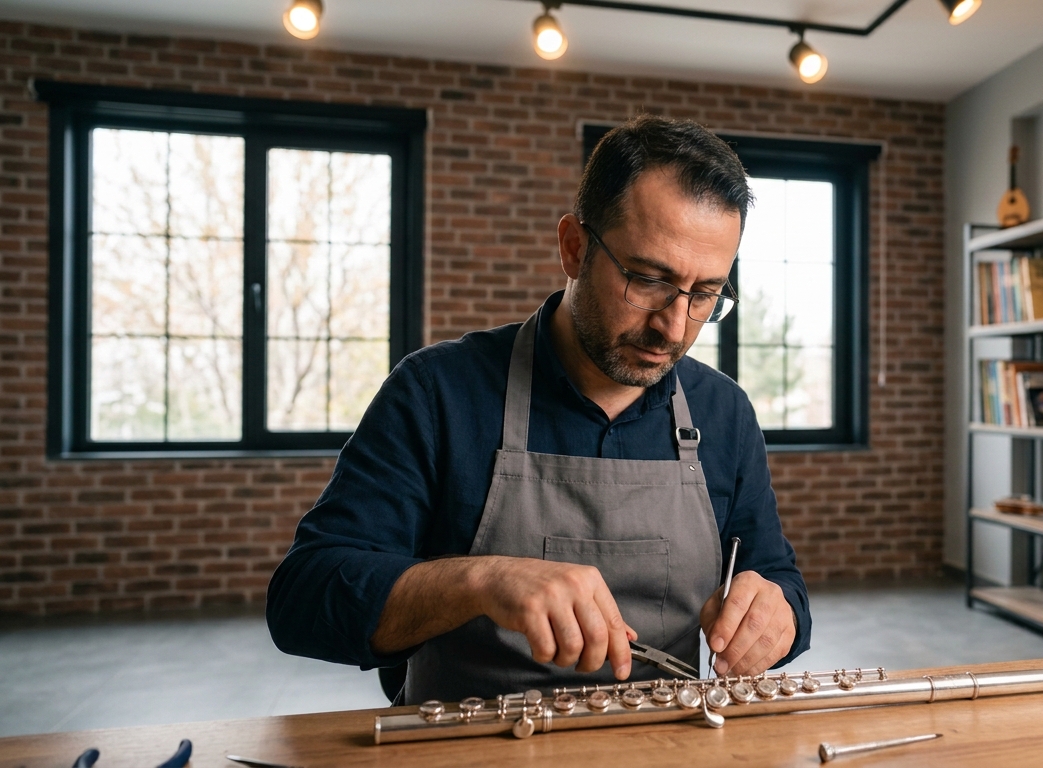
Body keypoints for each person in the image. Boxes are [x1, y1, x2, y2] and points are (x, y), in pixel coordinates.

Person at [266, 114, 811, 704]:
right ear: (574, 247)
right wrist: (479, 579)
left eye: (705, 294)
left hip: (664, 744)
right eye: (648, 279)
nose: (673, 327)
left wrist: (777, 613)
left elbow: (779, 582)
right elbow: (303, 599)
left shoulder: (724, 413)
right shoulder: (436, 392)